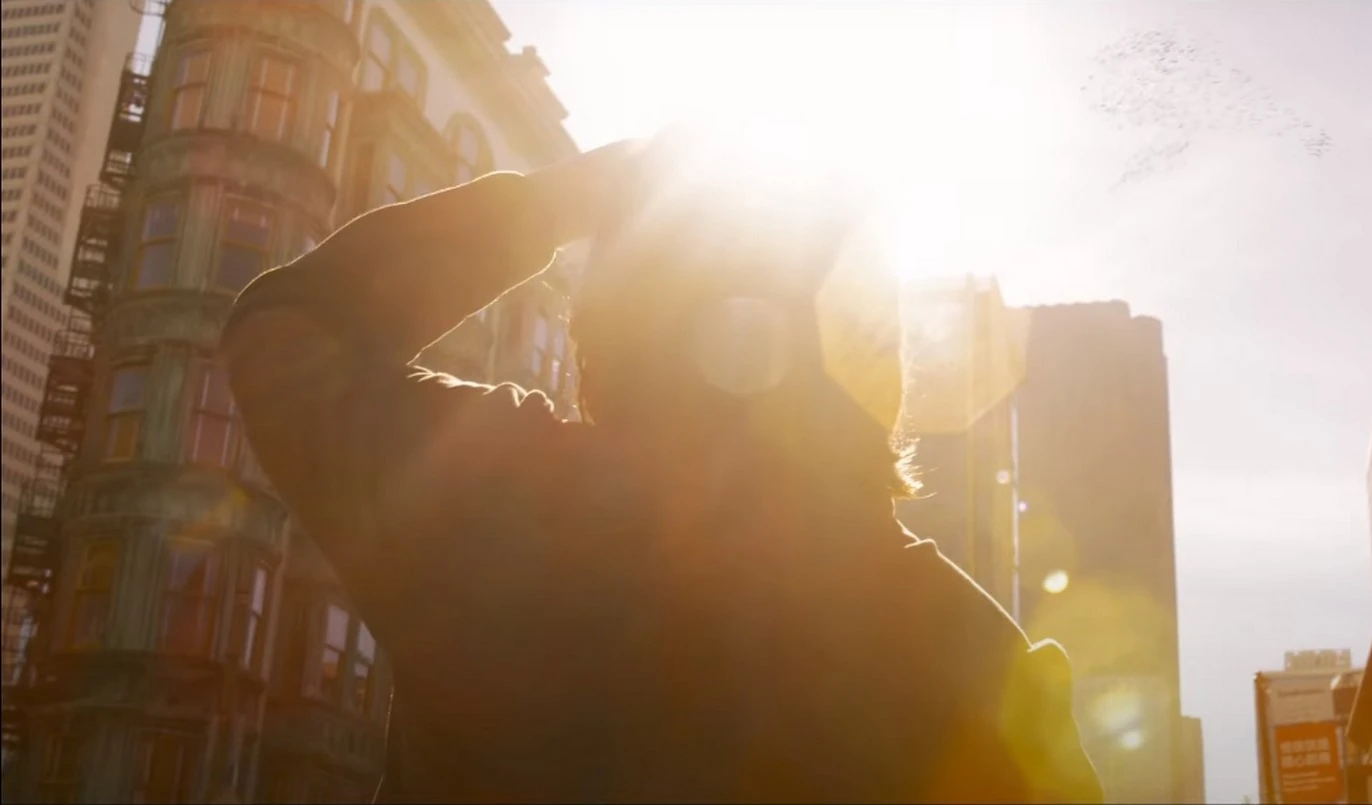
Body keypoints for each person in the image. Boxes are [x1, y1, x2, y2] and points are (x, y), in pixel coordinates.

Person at [221, 132, 1105, 804]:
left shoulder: (501, 506)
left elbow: (291, 323)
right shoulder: (973, 654)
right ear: (877, 371)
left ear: (600, 339)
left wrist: (556, 202)